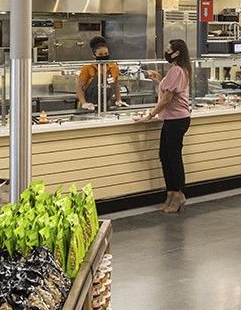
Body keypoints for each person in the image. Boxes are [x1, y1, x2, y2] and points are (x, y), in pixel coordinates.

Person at [136, 39, 193, 214]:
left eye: (169, 50)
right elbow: (170, 91)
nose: (166, 52)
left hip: (176, 120)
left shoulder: (176, 70)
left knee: (173, 158)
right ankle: (171, 193)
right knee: (165, 156)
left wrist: (150, 115)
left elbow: (167, 99)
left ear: (176, 53)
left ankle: (178, 195)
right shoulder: (179, 70)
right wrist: (159, 80)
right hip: (173, 119)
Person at [76, 36, 126, 111]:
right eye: (100, 54)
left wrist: (119, 100)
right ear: (94, 55)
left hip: (106, 106)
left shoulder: (114, 67)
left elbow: (116, 85)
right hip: (88, 107)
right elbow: (79, 87)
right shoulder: (87, 68)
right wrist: (84, 103)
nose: (104, 56)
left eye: (106, 53)